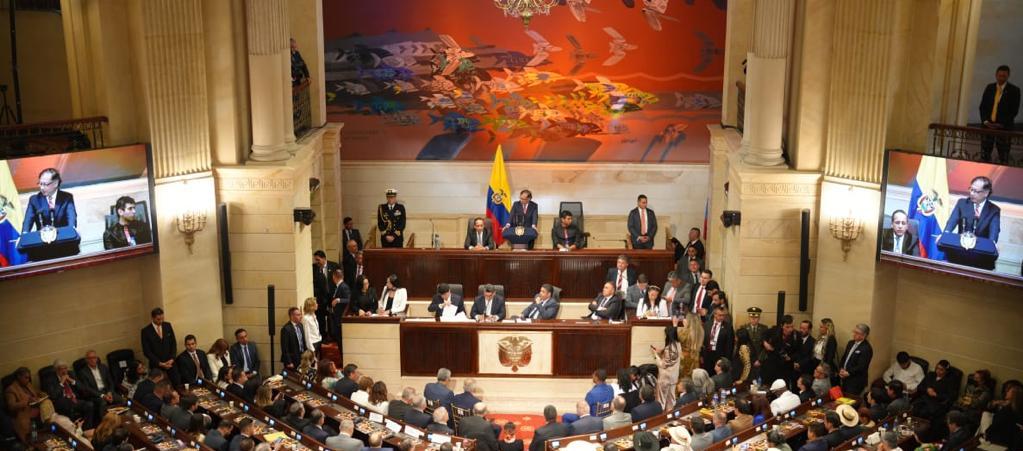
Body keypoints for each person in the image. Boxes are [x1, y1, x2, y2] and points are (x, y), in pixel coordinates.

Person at [943, 175, 1001, 248]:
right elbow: (951, 222)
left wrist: (993, 244)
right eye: (971, 189)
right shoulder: (962, 203)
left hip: (981, 250)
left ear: (986, 193)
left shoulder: (994, 210)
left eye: (976, 191)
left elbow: (994, 233)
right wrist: (945, 235)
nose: (972, 193)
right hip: (960, 247)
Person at [978, 65, 1020, 163]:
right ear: (996, 75)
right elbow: (982, 106)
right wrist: (985, 121)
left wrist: (1001, 124)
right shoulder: (990, 87)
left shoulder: (1014, 90)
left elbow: (1014, 111)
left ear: (1008, 76)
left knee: (1003, 155)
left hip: (1004, 128)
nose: (1001, 78)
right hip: (988, 127)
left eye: (1004, 76)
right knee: (985, 154)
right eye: (999, 75)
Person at [21, 167, 78, 234]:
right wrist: (24, 235)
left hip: (63, 239)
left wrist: (71, 231)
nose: (42, 188)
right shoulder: (34, 200)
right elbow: (27, 223)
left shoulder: (67, 198)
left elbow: (72, 221)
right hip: (42, 241)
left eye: (45, 184)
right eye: (40, 184)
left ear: (55, 183)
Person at [4, 367, 45, 443]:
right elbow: (11, 406)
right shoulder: (11, 389)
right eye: (26, 378)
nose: (28, 380)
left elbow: (36, 392)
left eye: (29, 378)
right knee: (33, 438)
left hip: (37, 410)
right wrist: (26, 401)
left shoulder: (28, 384)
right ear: (18, 377)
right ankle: (32, 443)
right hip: (24, 414)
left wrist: (42, 395)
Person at [141, 307, 179, 385]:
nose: (161, 321)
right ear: (153, 318)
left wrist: (172, 358)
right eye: (158, 319)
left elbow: (173, 343)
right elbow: (146, 351)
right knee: (160, 388)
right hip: (156, 366)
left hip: (170, 363)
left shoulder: (167, 325)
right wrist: (160, 363)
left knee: (176, 383)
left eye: (162, 318)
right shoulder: (146, 331)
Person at [838, 323, 874, 396]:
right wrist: (841, 369)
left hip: (855, 381)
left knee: (850, 400)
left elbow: (862, 366)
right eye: (854, 332)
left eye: (857, 333)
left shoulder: (866, 348)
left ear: (864, 335)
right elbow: (844, 357)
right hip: (845, 378)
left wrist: (848, 373)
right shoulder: (850, 343)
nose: (854, 334)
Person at [652, 324, 682, 409]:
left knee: (661, 400)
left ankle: (660, 418)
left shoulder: (669, 348)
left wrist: (655, 355)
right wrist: (662, 351)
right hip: (674, 377)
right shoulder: (678, 344)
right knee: (671, 400)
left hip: (665, 377)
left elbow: (663, 364)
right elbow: (671, 358)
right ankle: (670, 417)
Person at [702, 307, 734, 374]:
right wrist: (701, 355)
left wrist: (726, 360)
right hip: (707, 355)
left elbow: (730, 345)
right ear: (715, 314)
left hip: (719, 357)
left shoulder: (728, 327)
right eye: (720, 315)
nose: (722, 317)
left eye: (723, 315)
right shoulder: (707, 324)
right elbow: (703, 341)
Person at [678, 312, 704, 379]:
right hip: (695, 357)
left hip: (684, 358)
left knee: (683, 380)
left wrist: (678, 326)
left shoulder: (685, 333)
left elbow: (677, 337)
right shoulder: (701, 332)